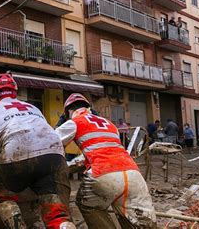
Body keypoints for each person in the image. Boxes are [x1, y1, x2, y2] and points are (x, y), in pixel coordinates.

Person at [0, 73, 75, 229]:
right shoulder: (33, 107)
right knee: (54, 207)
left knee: (2, 194)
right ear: (15, 92)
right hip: (54, 154)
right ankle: (62, 223)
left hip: (17, 153)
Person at [56, 93, 156, 228]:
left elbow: (51, 142)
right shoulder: (110, 125)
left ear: (69, 111)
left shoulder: (74, 122)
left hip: (103, 173)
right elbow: (106, 149)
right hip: (133, 174)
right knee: (139, 221)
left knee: (86, 204)